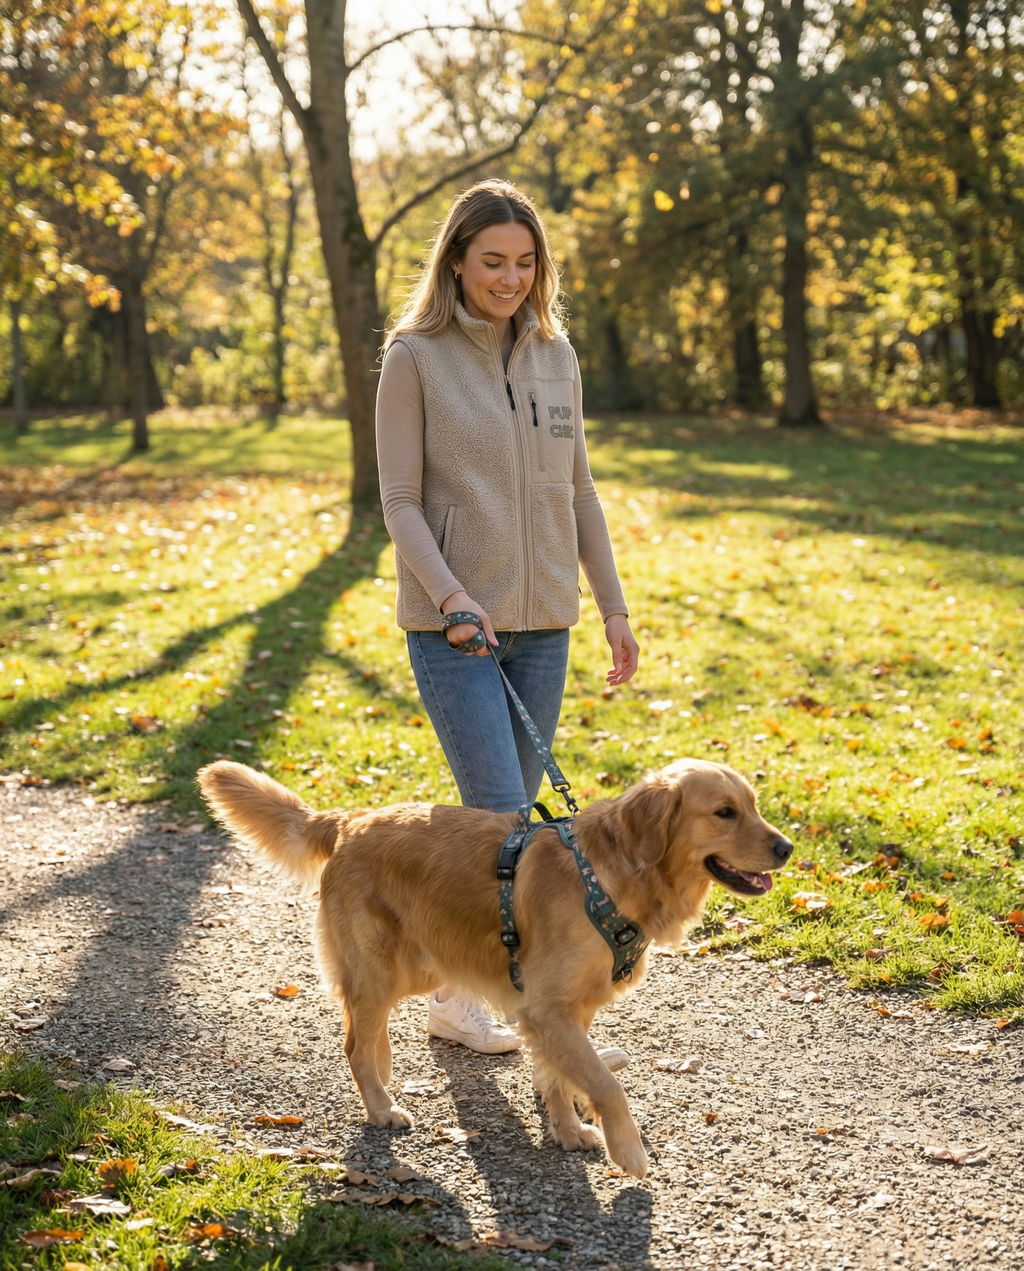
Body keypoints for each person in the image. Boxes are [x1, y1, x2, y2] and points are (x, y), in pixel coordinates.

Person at [376, 178, 640, 1060]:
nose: (510, 278)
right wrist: (451, 594)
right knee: (497, 814)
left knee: (516, 826)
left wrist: (613, 608)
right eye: (493, 261)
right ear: (456, 259)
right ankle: (498, 994)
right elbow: (401, 501)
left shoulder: (555, 356)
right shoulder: (413, 357)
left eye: (526, 263)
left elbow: (581, 493)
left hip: (545, 623)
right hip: (452, 624)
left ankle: (457, 997)